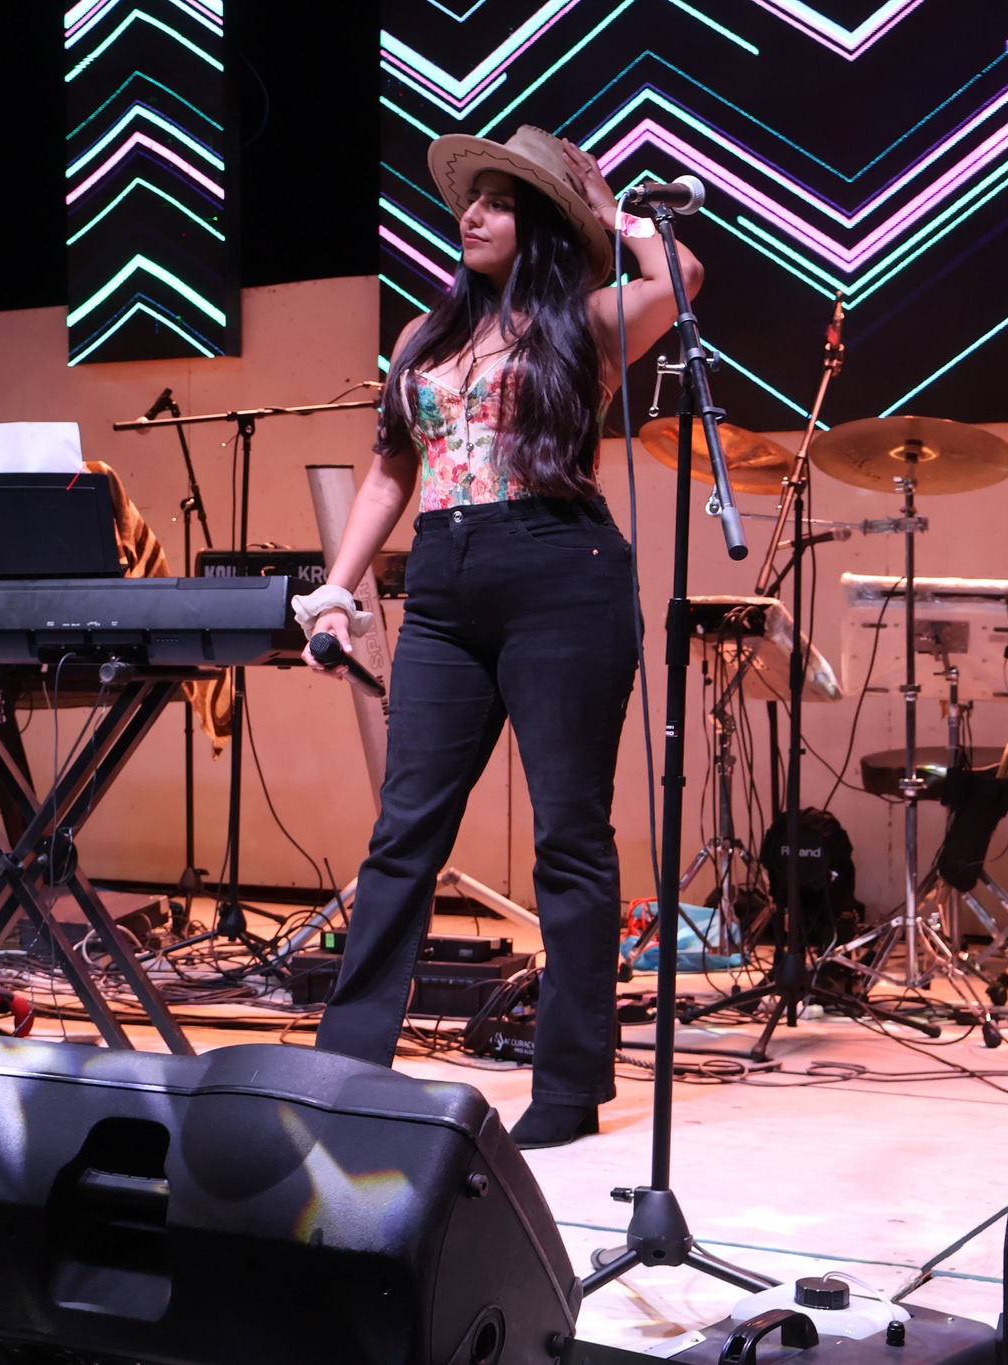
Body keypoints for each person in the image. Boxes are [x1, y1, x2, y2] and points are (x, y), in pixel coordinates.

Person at [294, 125, 703, 1148]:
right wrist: (335, 593)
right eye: (468, 199)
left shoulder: (587, 322)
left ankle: (567, 1088)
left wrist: (601, 207)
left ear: (544, 224)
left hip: (561, 571)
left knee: (568, 833)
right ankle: (347, 1072)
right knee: (402, 834)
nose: (471, 214)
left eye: (500, 200)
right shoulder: (420, 341)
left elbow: (682, 272)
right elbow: (391, 468)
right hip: (441, 578)